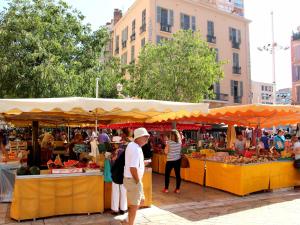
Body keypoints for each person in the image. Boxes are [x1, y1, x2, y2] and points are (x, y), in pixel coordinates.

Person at [123, 127, 149, 225]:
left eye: (147, 137)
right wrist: (138, 182)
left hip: (131, 179)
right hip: (133, 179)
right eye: (145, 137)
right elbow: (132, 168)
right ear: (138, 137)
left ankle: (127, 220)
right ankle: (129, 223)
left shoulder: (132, 145)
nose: (147, 139)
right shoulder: (136, 148)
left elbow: (133, 165)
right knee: (135, 204)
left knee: (139, 202)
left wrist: (141, 164)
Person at [162, 129, 182, 194]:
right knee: (178, 175)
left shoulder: (169, 142)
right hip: (177, 160)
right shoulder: (180, 142)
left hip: (170, 160)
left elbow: (166, 152)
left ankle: (166, 189)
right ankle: (178, 189)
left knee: (167, 175)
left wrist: (165, 149)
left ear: (171, 135)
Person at [110, 145, 127, 215]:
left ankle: (115, 210)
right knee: (124, 193)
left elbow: (113, 167)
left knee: (115, 193)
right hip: (124, 176)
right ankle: (123, 209)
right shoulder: (126, 155)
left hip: (116, 176)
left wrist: (112, 160)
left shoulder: (117, 156)